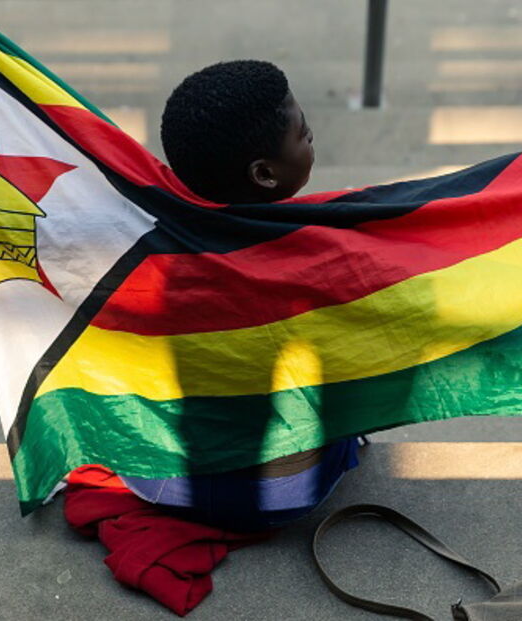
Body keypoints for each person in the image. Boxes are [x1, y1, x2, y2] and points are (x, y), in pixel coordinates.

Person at [117, 60, 364, 532]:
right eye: (304, 133)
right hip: (278, 496)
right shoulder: (323, 251)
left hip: (156, 482)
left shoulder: (147, 244)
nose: (312, 138)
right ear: (265, 175)